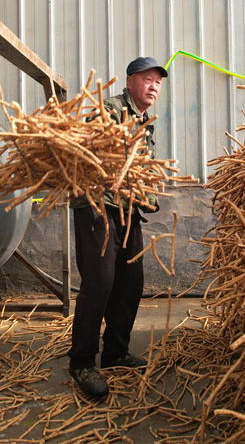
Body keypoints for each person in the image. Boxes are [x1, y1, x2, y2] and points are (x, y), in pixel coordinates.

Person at [67, 56, 167, 397]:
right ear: (130, 82)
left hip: (126, 210)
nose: (153, 85)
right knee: (100, 282)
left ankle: (115, 352)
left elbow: (142, 174)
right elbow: (96, 146)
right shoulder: (111, 109)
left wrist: (149, 197)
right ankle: (81, 361)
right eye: (147, 79)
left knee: (130, 281)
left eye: (158, 81)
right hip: (97, 204)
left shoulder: (147, 125)